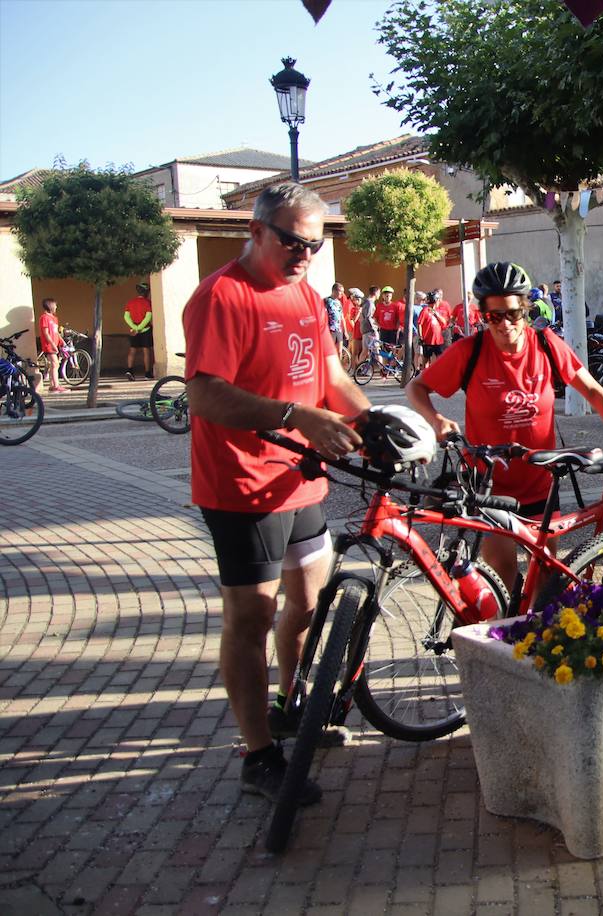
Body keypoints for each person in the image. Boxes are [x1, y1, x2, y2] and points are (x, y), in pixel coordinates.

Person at [183, 182, 371, 805]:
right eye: (292, 240)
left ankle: (290, 706)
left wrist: (373, 422)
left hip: (300, 480)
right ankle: (258, 753)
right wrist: (295, 415)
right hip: (242, 486)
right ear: (258, 230)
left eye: (314, 245)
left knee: (307, 605)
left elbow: (332, 375)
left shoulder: (307, 294)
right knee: (251, 618)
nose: (304, 254)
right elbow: (205, 393)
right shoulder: (223, 295)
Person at [406, 261, 603, 590]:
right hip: (490, 488)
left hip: (540, 486)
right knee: (502, 577)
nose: (504, 324)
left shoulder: (547, 346)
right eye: (493, 316)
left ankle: (536, 638)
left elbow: (593, 391)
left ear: (525, 309)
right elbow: (416, 388)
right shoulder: (470, 351)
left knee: (544, 579)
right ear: (483, 315)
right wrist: (435, 420)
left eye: (512, 314)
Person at [124, 282, 154, 380]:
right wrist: (140, 328)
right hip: (145, 329)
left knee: (132, 350)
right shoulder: (148, 302)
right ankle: (147, 373)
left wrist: (134, 327)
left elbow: (126, 317)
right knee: (146, 351)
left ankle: (129, 370)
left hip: (134, 329)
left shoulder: (131, 302)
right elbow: (148, 317)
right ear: (147, 292)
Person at [38, 298, 67, 393]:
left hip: (55, 344)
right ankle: (56, 385)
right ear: (50, 306)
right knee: (55, 364)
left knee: (54, 365)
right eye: (55, 305)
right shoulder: (44, 318)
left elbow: (56, 332)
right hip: (48, 345)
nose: (56, 307)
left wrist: (61, 340)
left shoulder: (54, 319)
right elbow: (45, 333)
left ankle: (52, 385)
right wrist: (52, 344)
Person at [416, 294, 446, 369]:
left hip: (438, 340)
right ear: (435, 301)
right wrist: (421, 337)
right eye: (438, 300)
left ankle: (439, 374)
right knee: (426, 360)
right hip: (428, 340)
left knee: (440, 359)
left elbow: (444, 323)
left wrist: (436, 315)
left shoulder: (438, 311)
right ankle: (425, 376)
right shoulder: (425, 311)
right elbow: (419, 323)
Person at [324, 282, 346, 360]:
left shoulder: (339, 303)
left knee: (339, 351)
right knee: (330, 351)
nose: (342, 294)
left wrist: (345, 331)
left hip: (338, 329)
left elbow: (342, 316)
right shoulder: (326, 301)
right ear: (334, 291)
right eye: (341, 291)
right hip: (330, 329)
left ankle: (339, 366)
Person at [344, 288, 363, 366]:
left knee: (352, 349)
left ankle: (348, 363)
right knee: (352, 349)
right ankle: (347, 364)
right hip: (351, 329)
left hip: (356, 329)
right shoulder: (350, 304)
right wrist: (353, 328)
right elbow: (349, 318)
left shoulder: (353, 304)